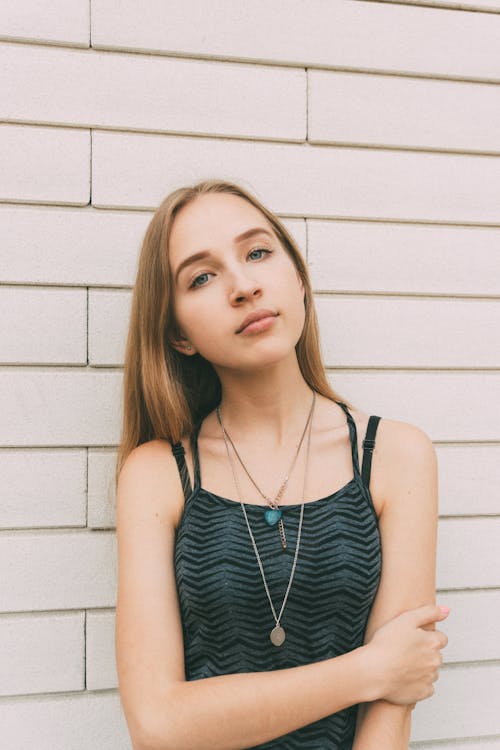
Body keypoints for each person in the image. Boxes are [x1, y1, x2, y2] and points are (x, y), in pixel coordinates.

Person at [114, 179, 449, 750]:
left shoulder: (394, 455)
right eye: (202, 276)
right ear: (177, 333)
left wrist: (390, 677)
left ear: (298, 277)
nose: (243, 286)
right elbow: (158, 725)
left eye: (258, 253)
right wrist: (369, 670)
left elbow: (392, 713)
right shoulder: (157, 475)